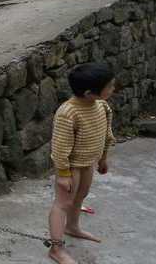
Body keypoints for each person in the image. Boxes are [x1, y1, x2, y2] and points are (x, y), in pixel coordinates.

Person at [47, 63, 116, 264]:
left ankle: (73, 227)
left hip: (89, 162)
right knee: (63, 204)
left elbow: (106, 133)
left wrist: (103, 156)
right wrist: (63, 174)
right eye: (109, 86)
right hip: (71, 166)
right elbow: (60, 147)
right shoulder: (68, 112)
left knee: (80, 196)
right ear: (89, 93)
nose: (113, 89)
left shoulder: (101, 105)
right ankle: (56, 249)